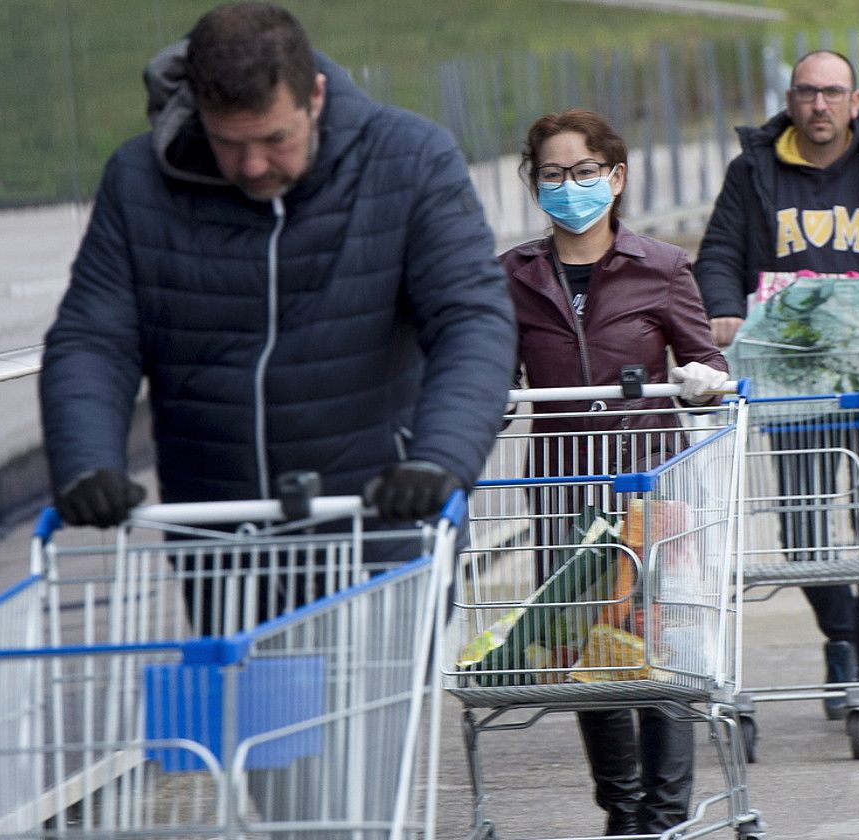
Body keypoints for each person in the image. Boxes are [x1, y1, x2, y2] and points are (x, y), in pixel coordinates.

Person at [40, 2, 514, 543]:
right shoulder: (138, 182)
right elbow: (93, 340)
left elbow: (472, 321)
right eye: (228, 143)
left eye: (274, 140)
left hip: (382, 521)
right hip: (217, 533)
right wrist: (88, 461)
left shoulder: (410, 160)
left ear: (315, 95)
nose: (252, 166)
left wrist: (439, 459)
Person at [693, 49, 859, 733]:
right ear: (790, 99)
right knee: (805, 531)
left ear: (855, 99)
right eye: (807, 92)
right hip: (792, 379)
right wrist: (722, 305)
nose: (819, 105)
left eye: (832, 93)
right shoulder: (753, 172)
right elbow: (720, 252)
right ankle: (841, 639)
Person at [502, 108, 729, 837]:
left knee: (655, 651)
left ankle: (664, 815)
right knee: (589, 656)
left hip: (648, 486)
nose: (569, 187)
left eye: (583, 172)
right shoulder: (513, 277)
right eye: (553, 175)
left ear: (615, 176)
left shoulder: (661, 268)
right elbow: (491, 376)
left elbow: (707, 360)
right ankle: (622, 811)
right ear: (535, 185)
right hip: (564, 490)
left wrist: (702, 378)